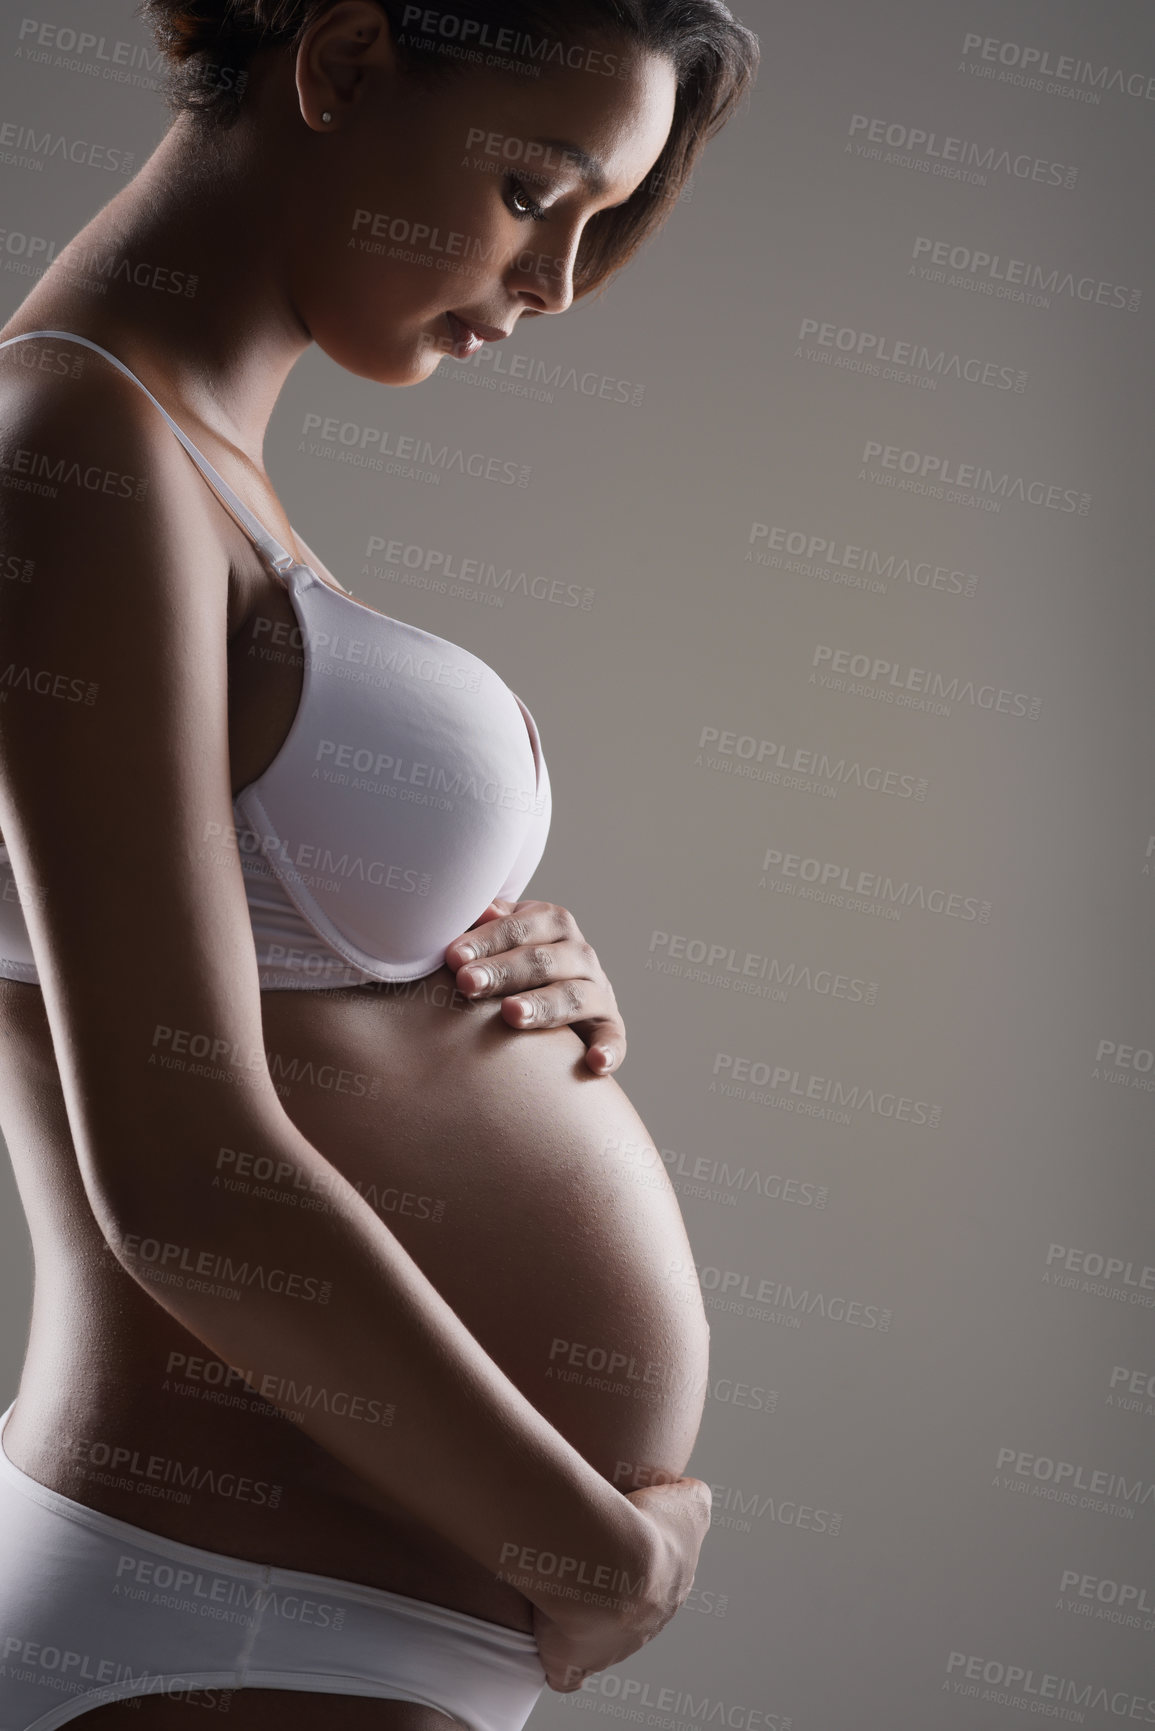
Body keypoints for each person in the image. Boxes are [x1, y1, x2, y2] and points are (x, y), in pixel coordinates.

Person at [0, 3, 759, 1727]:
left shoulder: (175, 457)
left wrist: (469, 975)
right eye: (529, 188)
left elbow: (260, 963)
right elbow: (180, 1167)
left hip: (297, 1617)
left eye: (597, 223)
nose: (556, 281)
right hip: (230, 1616)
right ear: (340, 65)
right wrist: (597, 1558)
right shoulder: (70, 444)